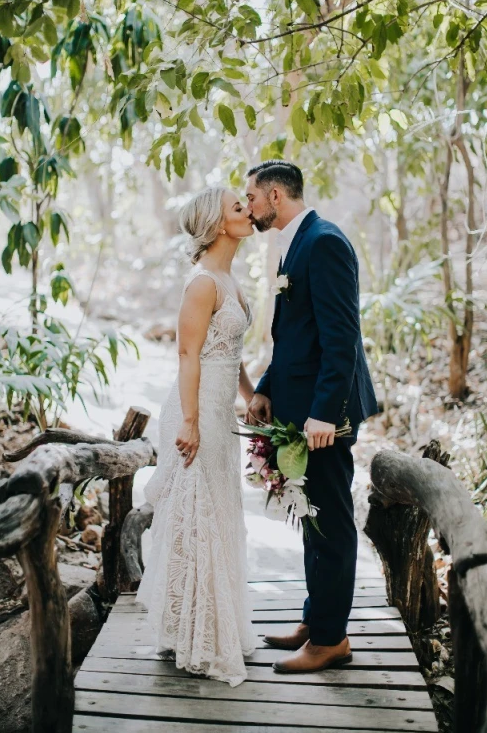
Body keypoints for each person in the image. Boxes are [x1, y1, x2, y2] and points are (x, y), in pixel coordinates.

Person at [246, 160, 378, 674]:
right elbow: (296, 335)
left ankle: (330, 640)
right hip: (299, 412)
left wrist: (324, 414)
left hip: (327, 418)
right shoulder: (294, 242)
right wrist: (266, 387)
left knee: (332, 522)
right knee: (310, 517)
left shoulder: (324, 242)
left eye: (252, 196)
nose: (249, 205)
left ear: (275, 196)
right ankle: (314, 618)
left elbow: (341, 336)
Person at [136, 186, 258, 687]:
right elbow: (188, 357)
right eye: (237, 207)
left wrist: (251, 395)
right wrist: (188, 420)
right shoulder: (203, 283)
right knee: (196, 513)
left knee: (218, 511)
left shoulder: (231, 279)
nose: (248, 210)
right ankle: (191, 634)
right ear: (215, 223)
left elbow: (230, 351)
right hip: (195, 410)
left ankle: (203, 626)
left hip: (220, 409)